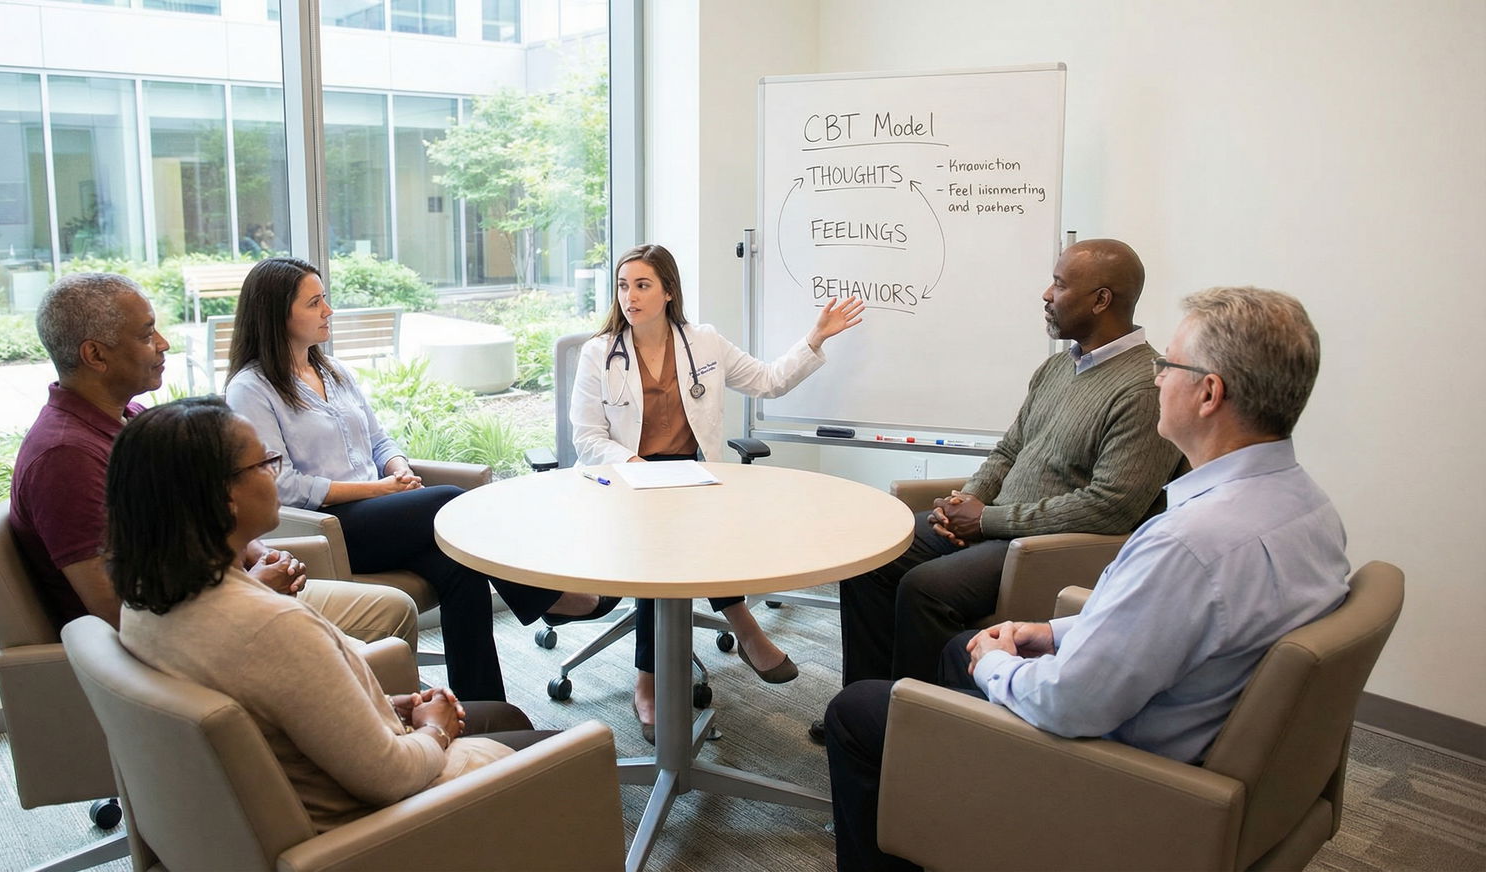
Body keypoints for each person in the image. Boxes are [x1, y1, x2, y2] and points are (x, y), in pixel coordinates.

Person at [824, 286, 1350, 871]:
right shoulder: (1310, 508)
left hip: (1112, 780)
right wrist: (1054, 634)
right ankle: (939, 802)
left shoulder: (1188, 544)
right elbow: (1181, 628)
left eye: (1167, 365)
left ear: (1208, 393)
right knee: (954, 651)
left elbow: (1069, 706)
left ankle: (935, 783)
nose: (1155, 379)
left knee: (858, 711)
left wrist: (999, 665)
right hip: (1184, 747)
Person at [108, 398, 555, 833]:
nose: (274, 474)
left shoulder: (144, 602)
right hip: (372, 828)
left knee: (502, 715)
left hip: (288, 798)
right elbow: (390, 777)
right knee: (570, 750)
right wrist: (434, 731)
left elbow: (278, 716)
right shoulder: (273, 625)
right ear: (223, 498)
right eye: (265, 464)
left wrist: (380, 707)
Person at [817, 238, 1184, 741]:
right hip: (996, 525)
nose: (1046, 294)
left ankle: (922, 728)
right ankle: (869, 710)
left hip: (1044, 547)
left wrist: (986, 520)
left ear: (1101, 300)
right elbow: (1010, 450)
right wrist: (959, 503)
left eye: (1059, 284)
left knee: (925, 589)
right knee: (873, 557)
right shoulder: (1058, 367)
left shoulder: (1145, 387)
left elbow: (1111, 508)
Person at [224, 256, 618, 703]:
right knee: (450, 498)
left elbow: (379, 440)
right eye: (315, 303)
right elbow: (284, 486)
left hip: (381, 515)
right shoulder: (251, 389)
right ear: (277, 314)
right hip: (328, 527)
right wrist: (381, 489)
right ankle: (552, 597)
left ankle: (484, 708)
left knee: (460, 570)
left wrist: (398, 469)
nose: (328, 311)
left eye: (325, 299)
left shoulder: (333, 372)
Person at [10, 272, 421, 651]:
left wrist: (259, 555)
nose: (164, 343)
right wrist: (250, 589)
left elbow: (201, 521)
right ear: (95, 355)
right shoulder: (65, 457)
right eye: (147, 333)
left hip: (226, 588)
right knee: (390, 615)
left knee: (394, 608)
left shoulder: (130, 419)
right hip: (188, 632)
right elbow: (117, 610)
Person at [570, 242, 865, 741]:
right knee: (660, 546)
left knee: (689, 531)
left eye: (642, 285)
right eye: (623, 286)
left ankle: (680, 661)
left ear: (668, 291)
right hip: (628, 482)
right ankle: (721, 639)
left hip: (694, 476)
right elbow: (587, 436)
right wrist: (635, 463)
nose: (630, 296)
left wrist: (814, 338)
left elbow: (769, 382)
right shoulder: (600, 353)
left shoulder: (703, 342)